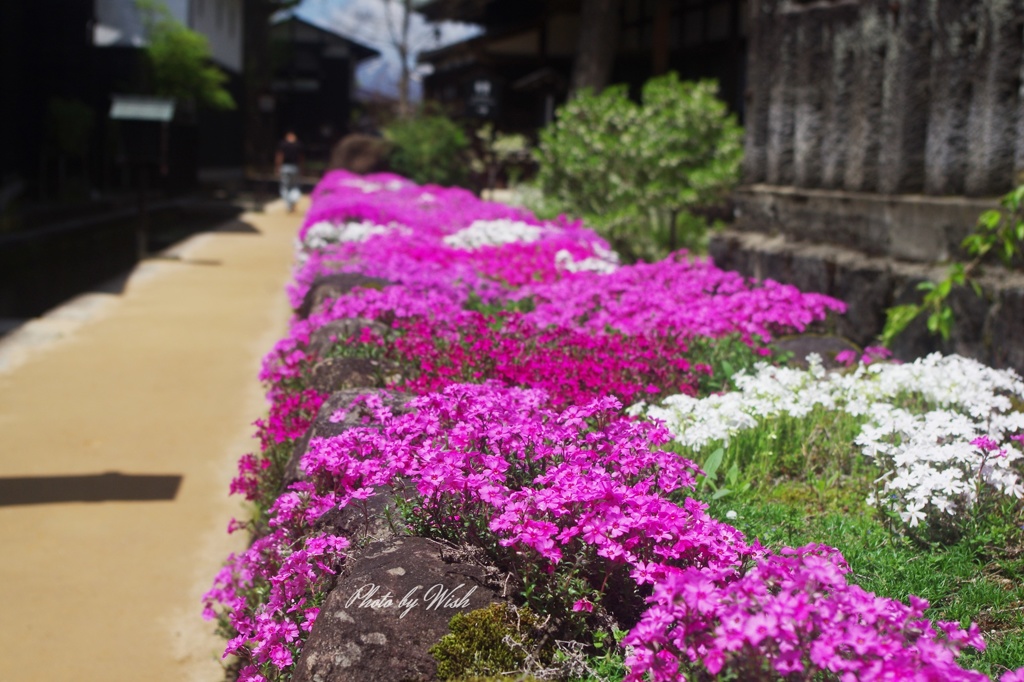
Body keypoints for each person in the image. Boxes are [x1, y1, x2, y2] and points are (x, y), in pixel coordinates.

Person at [275, 131, 303, 212]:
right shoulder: (298, 145)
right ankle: (293, 200)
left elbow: (280, 156)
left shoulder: (283, 144)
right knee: (295, 186)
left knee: (285, 187)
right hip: (295, 168)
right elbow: (301, 158)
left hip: (285, 167)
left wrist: (277, 167)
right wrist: (302, 168)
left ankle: (288, 204)